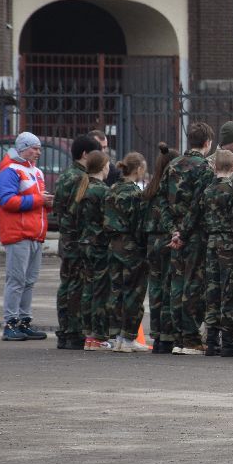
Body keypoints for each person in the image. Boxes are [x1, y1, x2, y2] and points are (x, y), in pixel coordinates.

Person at [0, 132, 54, 341]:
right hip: (18, 234)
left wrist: (46, 204)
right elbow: (7, 201)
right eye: (34, 148)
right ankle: (11, 324)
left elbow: (34, 201)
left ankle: (23, 321)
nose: (38, 152)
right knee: (17, 280)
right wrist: (40, 201)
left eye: (39, 148)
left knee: (28, 281)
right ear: (23, 148)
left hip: (34, 234)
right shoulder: (10, 171)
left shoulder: (36, 172)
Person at [163, 122, 215, 355]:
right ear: (207, 143)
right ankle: (192, 339)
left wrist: (173, 230)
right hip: (194, 235)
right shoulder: (204, 168)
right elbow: (199, 204)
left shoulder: (172, 165)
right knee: (194, 285)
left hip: (176, 234)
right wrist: (184, 232)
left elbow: (162, 202)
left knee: (177, 284)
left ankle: (178, 337)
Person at [53, 134, 100, 350]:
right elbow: (81, 212)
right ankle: (74, 331)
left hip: (66, 237)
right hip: (78, 240)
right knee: (77, 287)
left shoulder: (65, 176)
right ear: (85, 155)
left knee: (66, 284)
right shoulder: (81, 178)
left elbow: (59, 209)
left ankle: (64, 331)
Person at [104, 151, 150, 353]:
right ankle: (129, 337)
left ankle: (116, 336)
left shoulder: (112, 190)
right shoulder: (135, 194)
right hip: (131, 246)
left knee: (116, 290)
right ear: (139, 169)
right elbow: (139, 224)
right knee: (134, 292)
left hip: (113, 244)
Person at [202, 149, 233, 356]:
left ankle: (211, 340)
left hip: (211, 242)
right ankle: (228, 340)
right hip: (229, 243)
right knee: (229, 290)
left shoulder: (207, 190)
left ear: (214, 167)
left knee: (212, 291)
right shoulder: (232, 190)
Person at [141, 143, 178, 354]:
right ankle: (167, 334)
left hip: (151, 242)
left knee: (154, 289)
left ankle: (156, 335)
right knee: (169, 287)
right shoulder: (170, 189)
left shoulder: (150, 187)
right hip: (167, 239)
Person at [74, 151, 113, 350]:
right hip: (99, 245)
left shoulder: (84, 187)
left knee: (88, 289)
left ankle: (88, 334)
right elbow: (109, 221)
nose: (109, 168)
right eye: (108, 164)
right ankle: (98, 335)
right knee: (100, 291)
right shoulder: (103, 191)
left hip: (85, 243)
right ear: (102, 166)